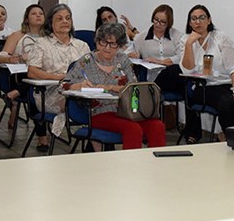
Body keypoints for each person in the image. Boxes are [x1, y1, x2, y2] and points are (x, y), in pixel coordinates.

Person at [64, 22, 166, 150]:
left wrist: (109, 88)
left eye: (113, 44)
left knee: (157, 126)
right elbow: (63, 85)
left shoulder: (123, 60)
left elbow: (133, 88)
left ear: (120, 46)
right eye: (103, 42)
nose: (107, 48)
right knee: (132, 129)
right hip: (99, 112)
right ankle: (130, 168)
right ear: (96, 42)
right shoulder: (86, 61)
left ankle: (156, 167)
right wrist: (79, 85)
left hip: (127, 111)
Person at [26, 4, 90, 151]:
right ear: (51, 23)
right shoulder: (42, 44)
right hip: (50, 93)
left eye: (68, 18)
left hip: (79, 92)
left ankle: (93, 147)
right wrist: (59, 77)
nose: (65, 22)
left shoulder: (82, 46)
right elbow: (32, 71)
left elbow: (90, 71)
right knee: (87, 105)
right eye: (59, 19)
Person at [180, 4, 234, 143]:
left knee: (229, 100)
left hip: (224, 85)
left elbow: (233, 68)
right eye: (193, 19)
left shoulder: (220, 37)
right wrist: (189, 44)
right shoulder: (186, 39)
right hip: (202, 87)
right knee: (225, 102)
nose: (198, 22)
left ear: (209, 20)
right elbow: (186, 70)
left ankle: (228, 136)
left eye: (202, 18)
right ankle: (229, 138)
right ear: (189, 23)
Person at [0, 4, 45, 129]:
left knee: (37, 84)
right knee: (35, 89)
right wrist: (13, 58)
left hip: (42, 76)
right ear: (27, 19)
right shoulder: (17, 35)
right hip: (20, 75)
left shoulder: (49, 38)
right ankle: (42, 135)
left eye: (41, 13)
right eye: (34, 13)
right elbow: (0, 57)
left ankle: (14, 96)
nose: (38, 15)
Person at [127, 4, 183, 92]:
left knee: (176, 69)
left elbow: (181, 56)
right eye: (156, 19)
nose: (157, 24)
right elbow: (128, 53)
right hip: (154, 79)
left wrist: (162, 62)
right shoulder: (142, 36)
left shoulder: (176, 35)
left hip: (173, 76)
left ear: (169, 23)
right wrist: (132, 55)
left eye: (163, 22)